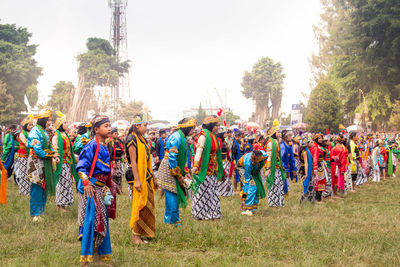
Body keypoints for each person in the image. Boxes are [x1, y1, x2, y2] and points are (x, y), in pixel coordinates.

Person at [76, 115, 120, 265]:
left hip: (100, 189)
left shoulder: (105, 146)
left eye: (109, 125)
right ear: (96, 129)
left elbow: (104, 171)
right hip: (91, 190)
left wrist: (112, 184)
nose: (109, 128)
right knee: (91, 224)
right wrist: (86, 182)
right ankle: (85, 261)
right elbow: (81, 167)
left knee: (99, 224)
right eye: (106, 126)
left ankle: (96, 258)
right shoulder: (91, 146)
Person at [125, 115, 158, 244]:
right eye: (144, 125)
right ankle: (136, 236)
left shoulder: (142, 139)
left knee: (147, 205)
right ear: (137, 125)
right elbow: (133, 161)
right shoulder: (132, 138)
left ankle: (144, 232)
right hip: (136, 176)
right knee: (139, 204)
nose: (146, 128)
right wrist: (137, 180)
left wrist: (153, 177)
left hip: (146, 175)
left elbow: (147, 160)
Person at [157, 118, 196, 225]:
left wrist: (185, 172)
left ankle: (172, 218)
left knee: (173, 194)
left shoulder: (182, 137)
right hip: (170, 168)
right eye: (192, 128)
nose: (193, 130)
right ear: (186, 128)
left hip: (174, 167)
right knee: (172, 194)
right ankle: (171, 220)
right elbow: (172, 158)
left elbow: (181, 158)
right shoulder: (176, 137)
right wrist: (179, 176)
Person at [27, 109, 58, 221]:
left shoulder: (44, 131)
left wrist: (53, 154)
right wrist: (49, 155)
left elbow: (49, 145)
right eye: (49, 120)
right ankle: (35, 214)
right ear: (43, 120)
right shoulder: (35, 130)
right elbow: (37, 149)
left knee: (43, 186)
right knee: (37, 187)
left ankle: (41, 212)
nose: (50, 122)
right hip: (36, 163)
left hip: (44, 161)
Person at [191, 115, 224, 220]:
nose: (218, 127)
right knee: (203, 192)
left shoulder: (213, 136)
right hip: (203, 169)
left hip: (212, 168)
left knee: (212, 191)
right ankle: (200, 214)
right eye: (216, 125)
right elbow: (198, 152)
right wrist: (195, 166)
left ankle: (213, 213)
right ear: (211, 125)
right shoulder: (203, 136)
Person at [52, 111, 79, 212]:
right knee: (61, 183)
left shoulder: (65, 135)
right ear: (60, 124)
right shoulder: (56, 136)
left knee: (67, 183)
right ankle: (60, 205)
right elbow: (55, 147)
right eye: (65, 122)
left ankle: (64, 203)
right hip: (61, 163)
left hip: (67, 163)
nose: (67, 124)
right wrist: (56, 157)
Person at [238, 150, 267, 215]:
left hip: (254, 170)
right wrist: (243, 198)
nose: (254, 162)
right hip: (242, 168)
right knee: (252, 188)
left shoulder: (264, 156)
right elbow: (246, 182)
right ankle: (247, 208)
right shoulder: (248, 163)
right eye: (254, 161)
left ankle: (254, 208)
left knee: (257, 187)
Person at [266, 119, 286, 207]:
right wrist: (268, 168)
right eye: (278, 132)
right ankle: (273, 202)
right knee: (274, 184)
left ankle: (279, 201)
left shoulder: (276, 142)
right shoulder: (270, 143)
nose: (280, 134)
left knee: (279, 183)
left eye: (280, 132)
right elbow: (269, 156)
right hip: (272, 167)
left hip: (278, 166)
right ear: (274, 133)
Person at [14, 115, 34, 195]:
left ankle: (29, 191)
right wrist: (35, 144)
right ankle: (23, 191)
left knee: (29, 173)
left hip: (30, 155)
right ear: (26, 125)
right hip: (23, 155)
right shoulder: (22, 134)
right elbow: (26, 143)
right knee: (23, 173)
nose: (31, 126)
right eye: (29, 125)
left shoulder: (32, 133)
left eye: (32, 125)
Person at [309, 133, 327, 202]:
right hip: (317, 165)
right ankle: (317, 198)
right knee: (318, 181)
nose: (321, 139)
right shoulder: (315, 147)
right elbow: (315, 158)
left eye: (321, 138)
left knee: (322, 180)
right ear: (316, 139)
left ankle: (320, 197)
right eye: (319, 138)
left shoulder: (320, 146)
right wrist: (315, 167)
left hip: (321, 164)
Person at [217, 130, 235, 197]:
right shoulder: (219, 141)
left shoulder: (224, 141)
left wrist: (229, 159)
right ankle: (220, 191)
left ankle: (227, 191)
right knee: (223, 175)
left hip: (226, 160)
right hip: (221, 160)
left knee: (227, 175)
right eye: (225, 134)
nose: (226, 135)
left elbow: (227, 151)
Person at [280, 129, 298, 196]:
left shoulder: (289, 146)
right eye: (290, 136)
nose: (291, 137)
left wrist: (293, 169)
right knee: (283, 182)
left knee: (286, 182)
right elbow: (281, 158)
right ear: (285, 137)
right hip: (283, 168)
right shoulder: (282, 146)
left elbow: (292, 158)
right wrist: (284, 167)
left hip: (288, 167)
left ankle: (284, 195)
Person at [299, 136, 315, 203]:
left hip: (309, 170)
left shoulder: (308, 150)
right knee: (306, 185)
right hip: (306, 171)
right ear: (306, 143)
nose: (312, 143)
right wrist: (306, 174)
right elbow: (306, 163)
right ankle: (304, 200)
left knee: (310, 185)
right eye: (311, 142)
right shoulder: (305, 152)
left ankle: (310, 200)